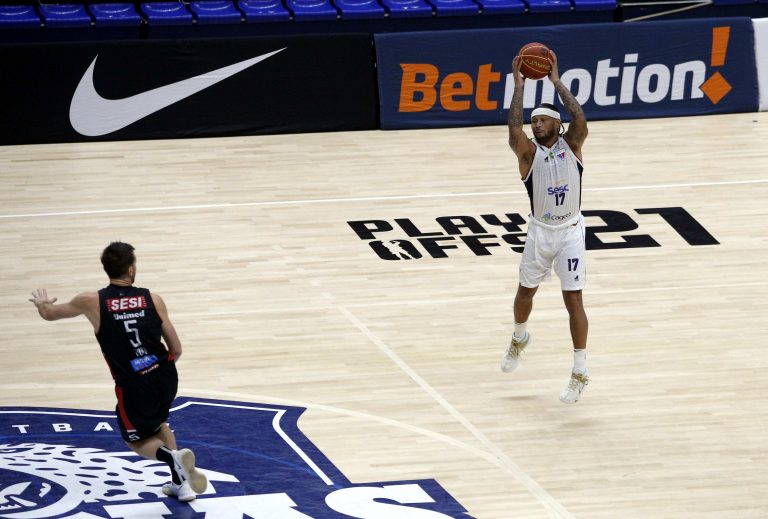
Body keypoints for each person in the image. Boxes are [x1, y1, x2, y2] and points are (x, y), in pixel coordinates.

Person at [29, 241, 208, 501]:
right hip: (166, 375)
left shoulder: (90, 301)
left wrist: (42, 303)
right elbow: (176, 349)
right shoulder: (153, 299)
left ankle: (172, 459)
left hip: (134, 385)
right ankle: (181, 484)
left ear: (107, 268)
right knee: (158, 424)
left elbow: (49, 313)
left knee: (134, 440)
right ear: (131, 269)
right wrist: (156, 369)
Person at [501, 50, 591, 404]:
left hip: (570, 232)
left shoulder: (573, 144)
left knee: (574, 300)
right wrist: (519, 86)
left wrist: (555, 81)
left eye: (542, 120)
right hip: (540, 232)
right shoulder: (528, 154)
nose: (535, 125)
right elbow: (513, 129)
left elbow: (580, 117)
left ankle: (580, 371)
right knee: (525, 293)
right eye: (533, 121)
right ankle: (519, 336)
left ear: (556, 124)